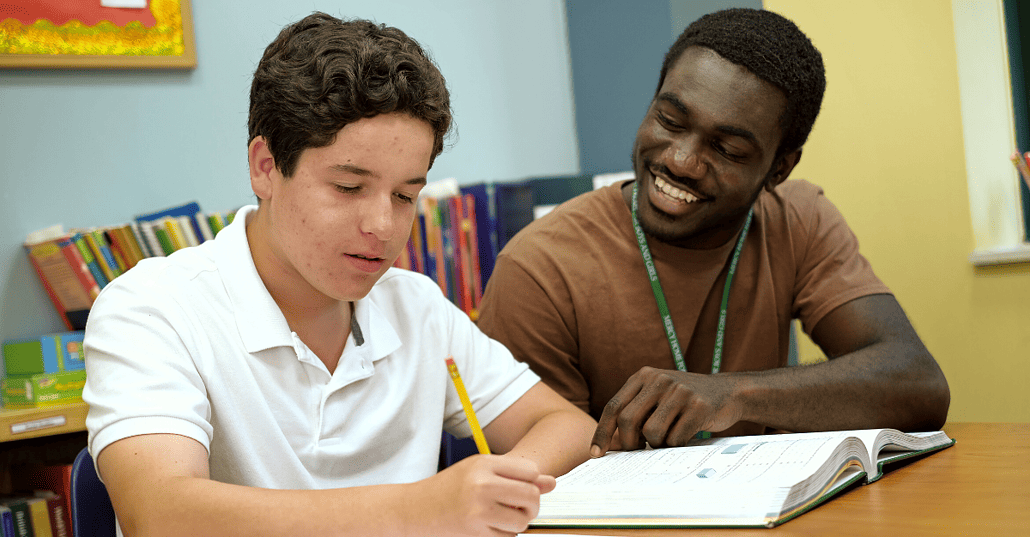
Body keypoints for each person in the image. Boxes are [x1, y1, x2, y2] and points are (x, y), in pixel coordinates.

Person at [83, 12, 595, 537]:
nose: (382, 226)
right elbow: (161, 514)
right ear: (265, 167)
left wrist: (495, 489)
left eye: (405, 196)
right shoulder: (151, 308)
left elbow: (569, 427)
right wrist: (423, 509)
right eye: (348, 188)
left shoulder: (415, 306)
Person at [476, 7, 950, 457]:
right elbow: (538, 483)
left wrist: (736, 394)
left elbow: (917, 384)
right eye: (669, 120)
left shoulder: (798, 218)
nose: (680, 161)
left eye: (727, 149)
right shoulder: (540, 268)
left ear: (778, 168)